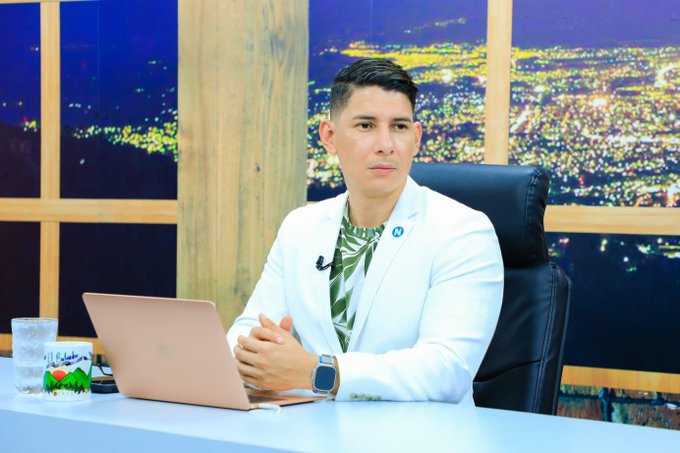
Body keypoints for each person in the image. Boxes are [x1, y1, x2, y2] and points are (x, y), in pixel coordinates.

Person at [226, 58, 503, 404]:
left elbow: (447, 369)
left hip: (418, 431)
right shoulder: (300, 227)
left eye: (399, 127)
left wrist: (319, 372)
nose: (386, 144)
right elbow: (247, 329)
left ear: (416, 138)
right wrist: (253, 353)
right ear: (329, 136)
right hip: (311, 426)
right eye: (366, 125)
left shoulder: (463, 232)